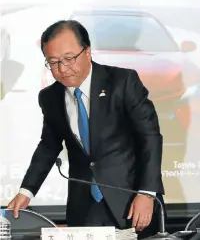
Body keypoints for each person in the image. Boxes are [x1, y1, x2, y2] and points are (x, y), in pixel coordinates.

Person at [7, 20, 165, 239]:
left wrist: (147, 193)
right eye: (53, 62)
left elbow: (150, 138)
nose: (62, 69)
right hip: (84, 205)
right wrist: (26, 191)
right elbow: (48, 146)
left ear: (87, 52)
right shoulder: (50, 97)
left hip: (130, 200)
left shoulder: (122, 81)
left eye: (69, 59)